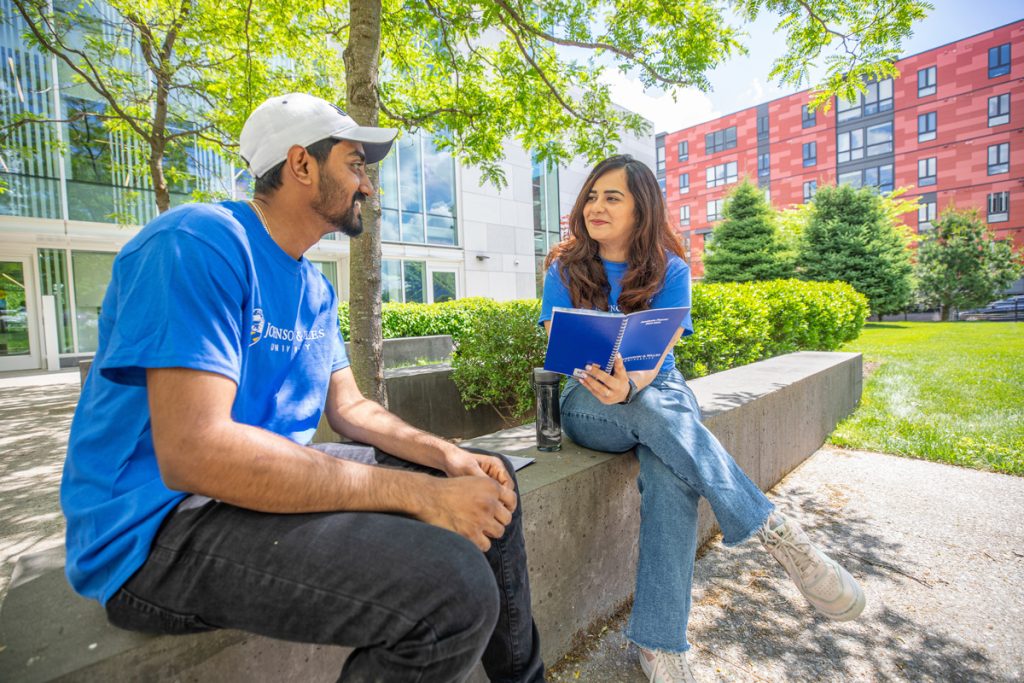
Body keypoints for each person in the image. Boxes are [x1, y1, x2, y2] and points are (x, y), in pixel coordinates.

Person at [61, 93, 545, 683]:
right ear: (301, 165)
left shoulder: (313, 286)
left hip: (249, 490)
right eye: (355, 165)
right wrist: (418, 496)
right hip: (156, 530)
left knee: (486, 475)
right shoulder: (198, 242)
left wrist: (450, 457)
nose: (369, 187)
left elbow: (350, 408)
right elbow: (196, 453)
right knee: (454, 593)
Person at [539, 155, 864, 683]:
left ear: (641, 208)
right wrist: (614, 388)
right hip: (587, 399)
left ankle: (658, 646)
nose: (595, 206)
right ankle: (773, 529)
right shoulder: (563, 268)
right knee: (644, 409)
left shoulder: (670, 270)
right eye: (591, 196)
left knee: (670, 477)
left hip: (656, 390)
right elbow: (561, 352)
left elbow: (655, 362)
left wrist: (631, 386)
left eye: (612, 197)